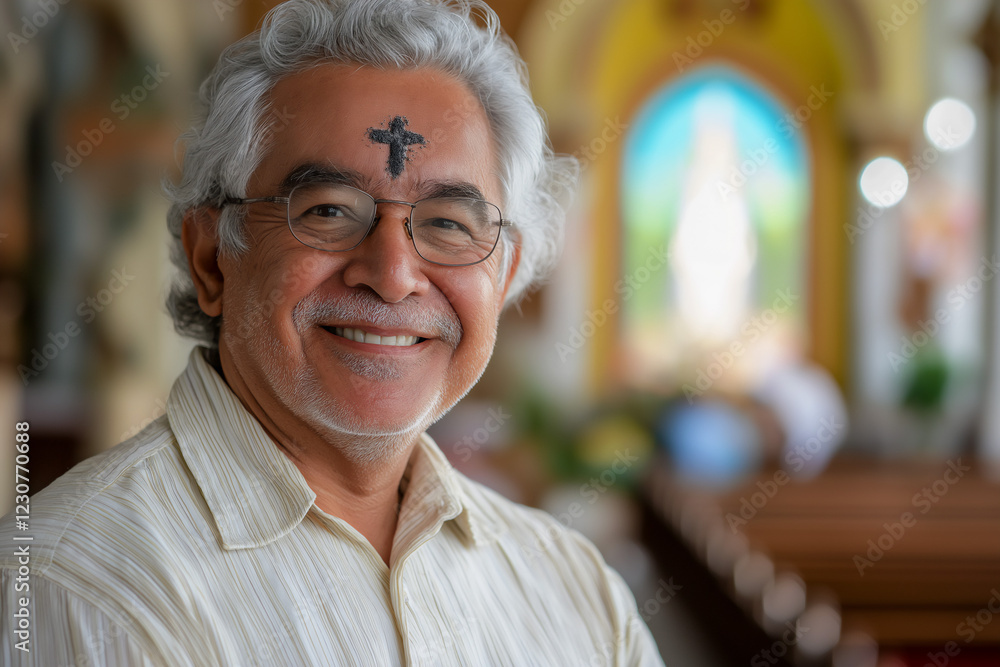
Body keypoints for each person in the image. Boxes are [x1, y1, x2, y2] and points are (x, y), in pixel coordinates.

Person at [1, 1, 665, 664]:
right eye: (327, 211)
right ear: (211, 259)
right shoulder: (79, 589)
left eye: (448, 224)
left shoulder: (579, 595)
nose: (394, 273)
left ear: (506, 272)